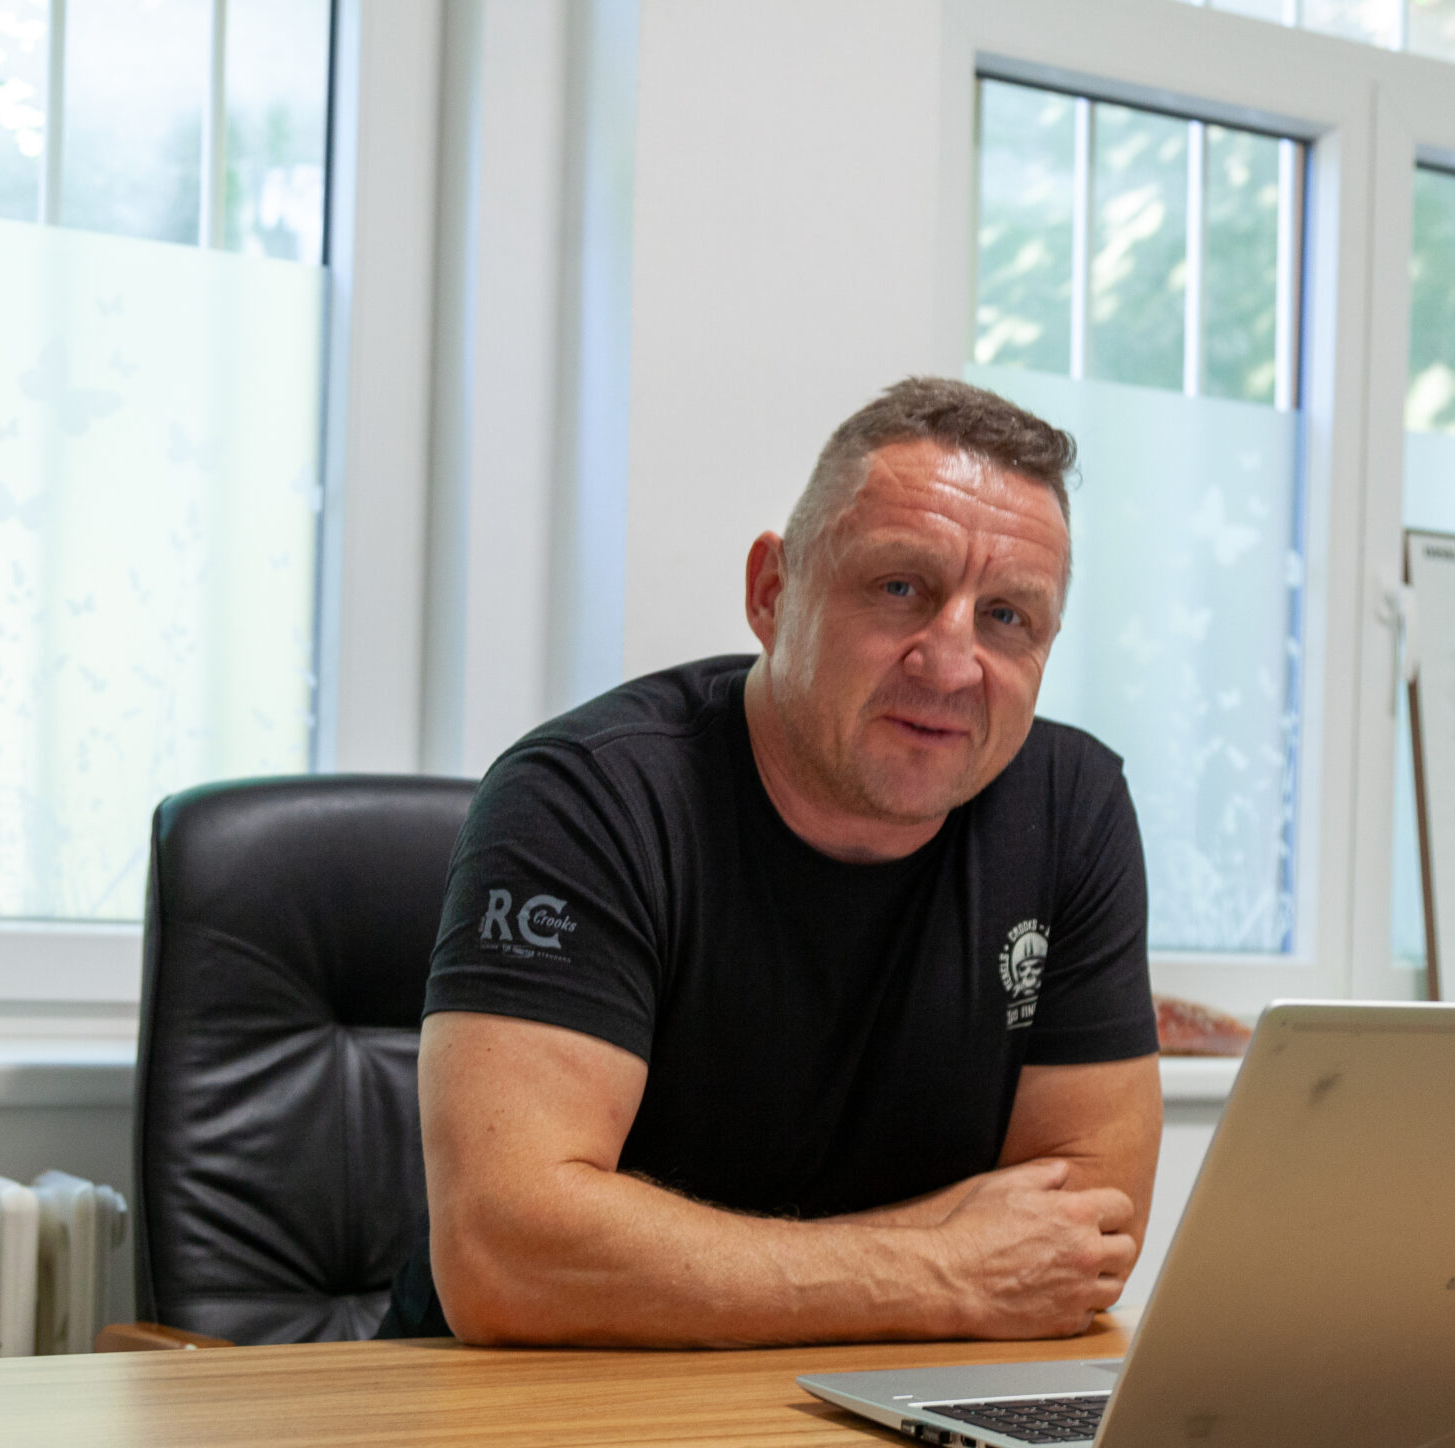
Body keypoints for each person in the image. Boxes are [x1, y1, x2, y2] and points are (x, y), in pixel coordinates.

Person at [382, 376, 1161, 1347]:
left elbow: (1084, 1235)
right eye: (901, 587)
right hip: (534, 1405)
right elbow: (506, 1254)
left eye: (1007, 616)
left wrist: (731, 1266)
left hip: (879, 1402)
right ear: (771, 591)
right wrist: (945, 1267)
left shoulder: (1070, 806)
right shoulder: (584, 799)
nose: (952, 663)